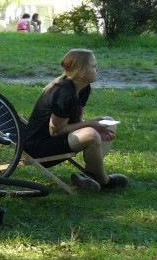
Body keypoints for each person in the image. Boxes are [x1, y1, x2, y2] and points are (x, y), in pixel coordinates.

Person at [24, 49, 129, 193]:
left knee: (107, 122)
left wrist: (95, 126)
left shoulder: (83, 88)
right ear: (81, 72)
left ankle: (88, 176)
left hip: (58, 140)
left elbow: (77, 121)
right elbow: (55, 131)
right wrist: (90, 126)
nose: (97, 69)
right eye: (93, 66)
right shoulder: (65, 93)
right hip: (39, 148)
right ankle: (105, 181)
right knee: (91, 134)